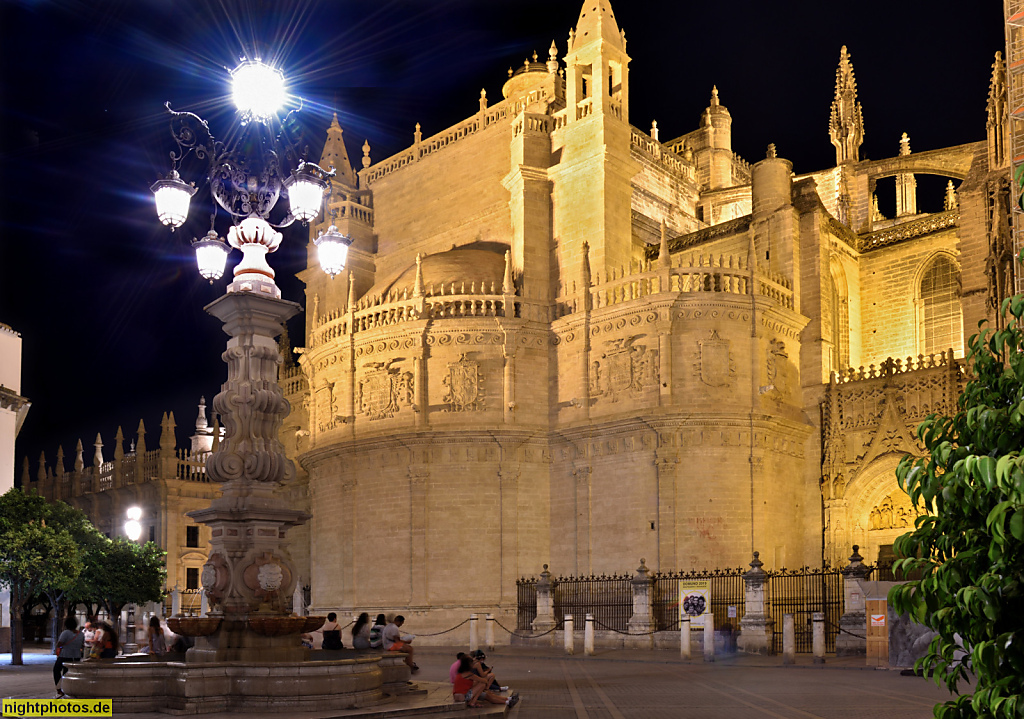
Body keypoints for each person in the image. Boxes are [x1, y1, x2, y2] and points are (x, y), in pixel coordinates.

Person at [453, 655, 517, 708]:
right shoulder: (469, 674)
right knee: (483, 686)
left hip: (460, 695)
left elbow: (469, 685)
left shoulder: (460, 673)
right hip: (464, 696)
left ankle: (508, 699)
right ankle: (473, 702)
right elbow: (484, 680)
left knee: (488, 694)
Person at [54, 616, 85, 697]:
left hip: (65, 655)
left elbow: (59, 644)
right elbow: (82, 645)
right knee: (69, 673)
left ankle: (59, 689)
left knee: (56, 670)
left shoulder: (65, 633)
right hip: (76, 656)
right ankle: (69, 688)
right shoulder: (80, 634)